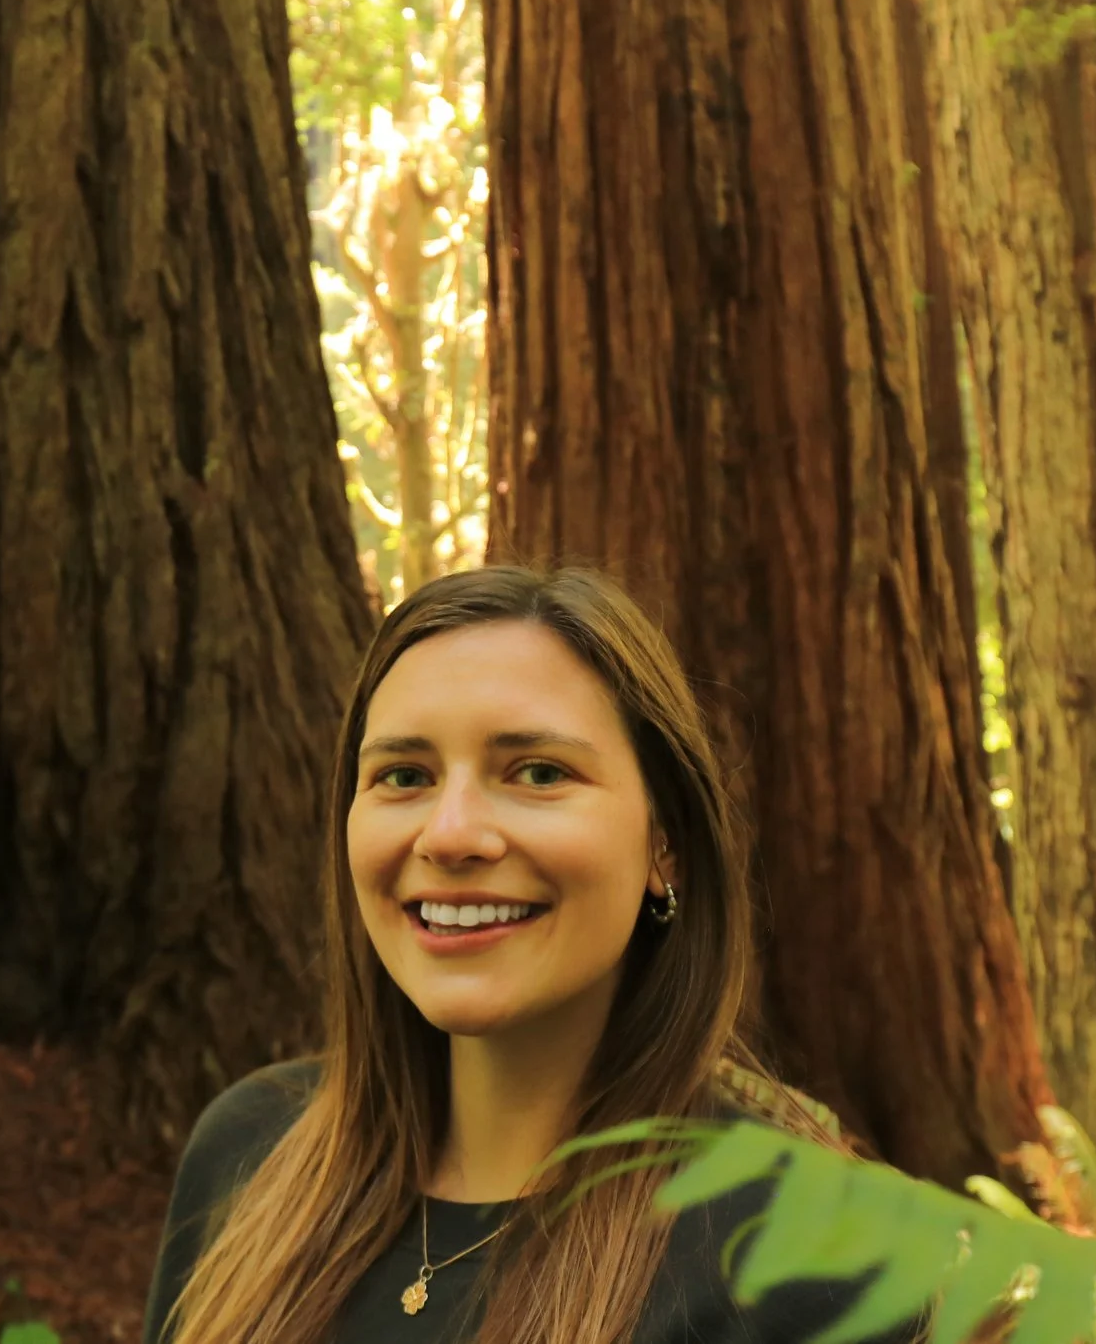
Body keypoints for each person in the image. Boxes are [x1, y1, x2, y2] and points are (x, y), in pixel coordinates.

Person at [140, 565, 909, 1343]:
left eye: (538, 772)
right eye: (404, 775)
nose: (449, 834)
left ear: (664, 843)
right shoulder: (246, 1154)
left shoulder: (813, 1263)